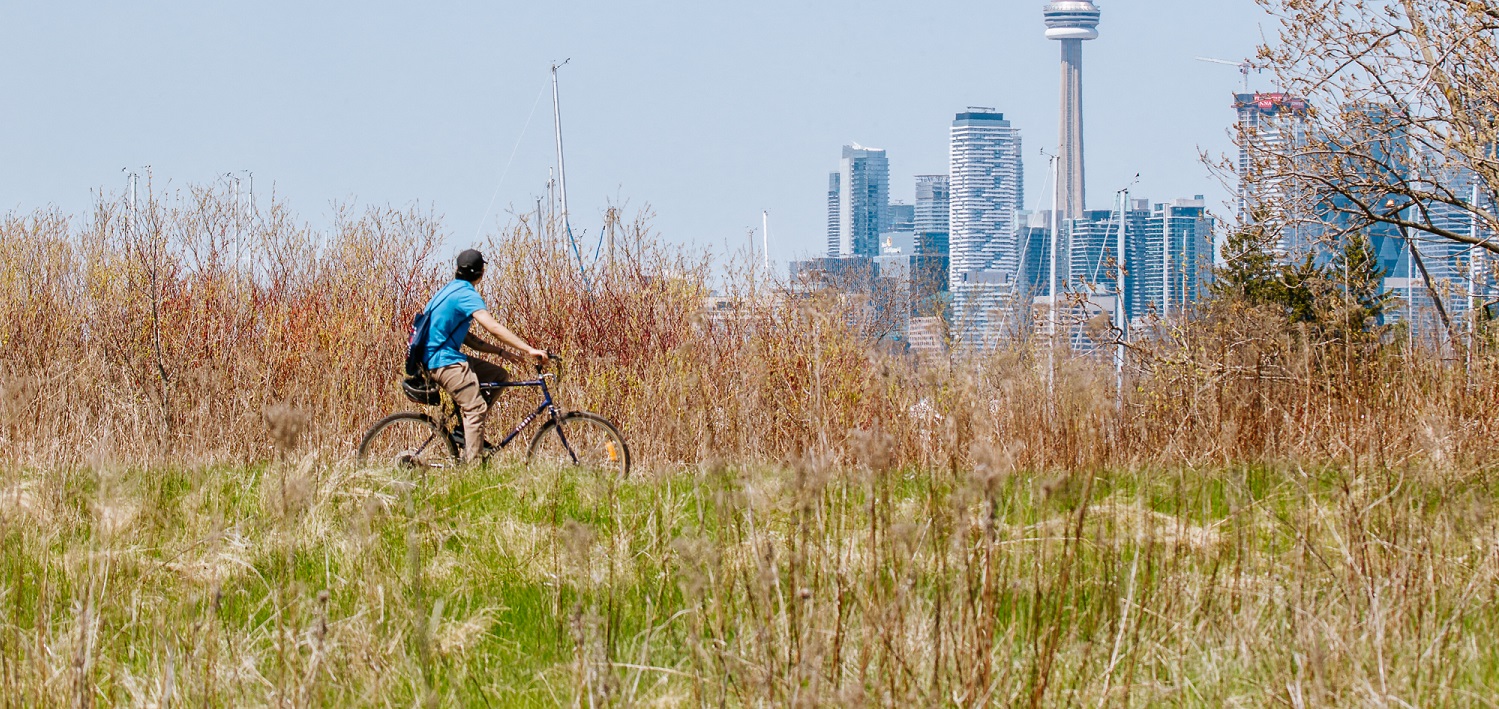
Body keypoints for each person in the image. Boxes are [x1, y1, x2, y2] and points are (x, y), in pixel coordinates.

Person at [421, 249, 548, 462]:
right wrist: (529, 349)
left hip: (437, 356)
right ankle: (473, 470)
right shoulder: (466, 294)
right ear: (481, 273)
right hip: (443, 360)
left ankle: (464, 431)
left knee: (499, 376)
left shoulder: (449, 290)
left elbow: (467, 338)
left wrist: (500, 352)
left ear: (456, 270)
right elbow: (493, 327)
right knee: (475, 408)